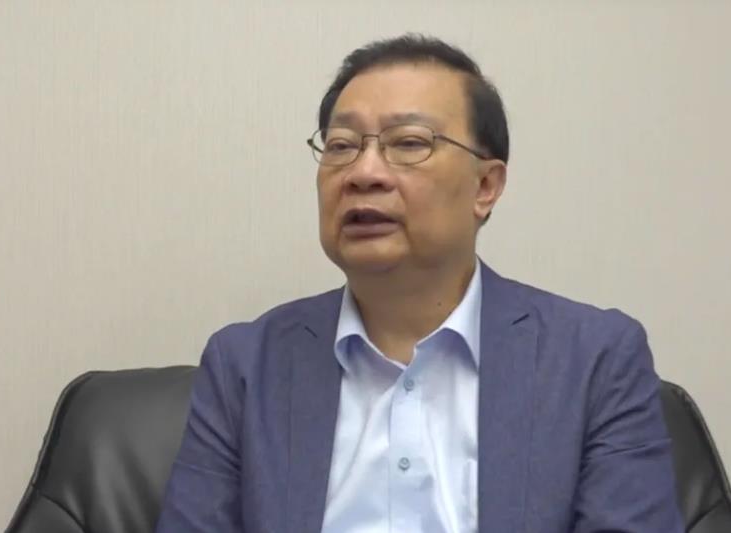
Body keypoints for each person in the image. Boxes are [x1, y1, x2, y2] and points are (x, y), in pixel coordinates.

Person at [156, 34, 683, 533]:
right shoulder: (246, 366)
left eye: (408, 143)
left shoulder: (593, 361)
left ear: (485, 186)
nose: (363, 172)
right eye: (341, 145)